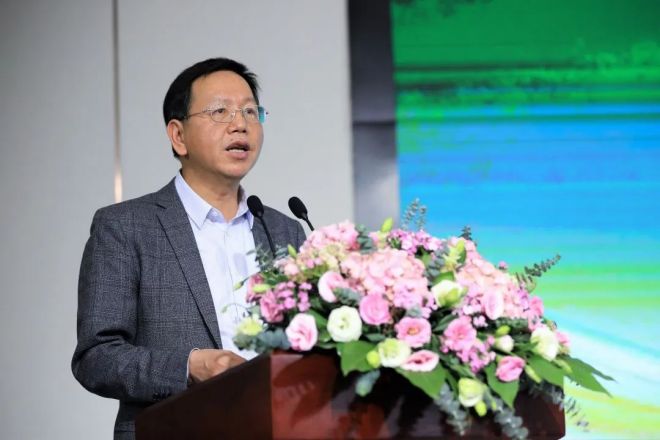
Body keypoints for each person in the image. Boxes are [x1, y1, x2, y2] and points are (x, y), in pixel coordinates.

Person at [72, 57, 306, 439]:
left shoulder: (285, 231)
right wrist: (189, 367)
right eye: (220, 111)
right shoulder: (126, 227)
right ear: (178, 136)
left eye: (251, 111)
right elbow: (96, 357)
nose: (240, 124)